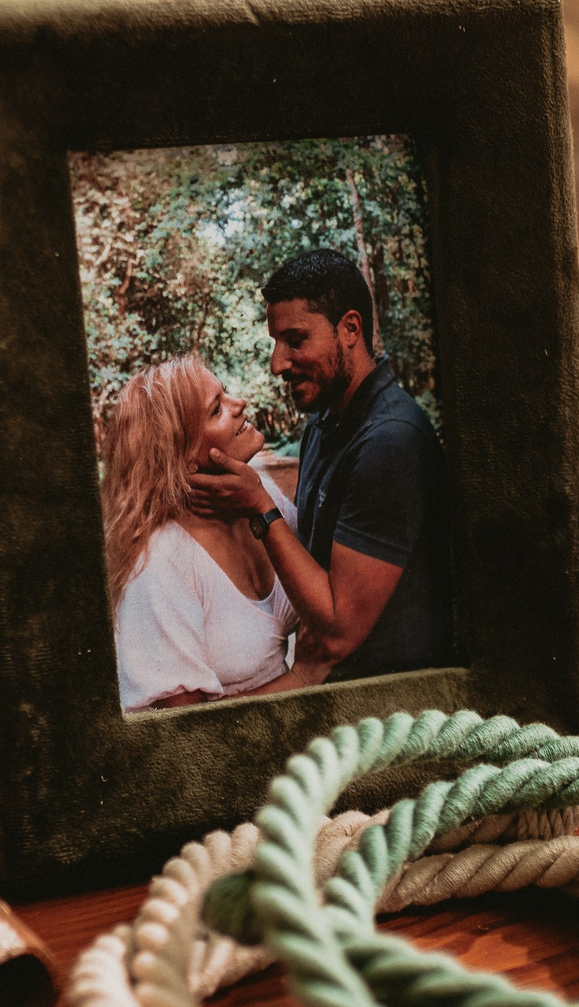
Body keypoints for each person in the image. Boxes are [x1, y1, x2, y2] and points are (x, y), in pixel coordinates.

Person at [187, 249, 453, 680]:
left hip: (393, 701)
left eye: (295, 340)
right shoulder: (325, 422)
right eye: (275, 342)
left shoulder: (390, 441)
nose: (277, 363)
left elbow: (338, 633)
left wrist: (259, 506)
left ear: (350, 329)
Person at [99, 355, 323, 712]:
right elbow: (186, 730)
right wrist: (301, 678)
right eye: (217, 409)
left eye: (226, 393)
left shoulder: (259, 492)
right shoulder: (161, 561)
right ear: (183, 455)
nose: (240, 403)